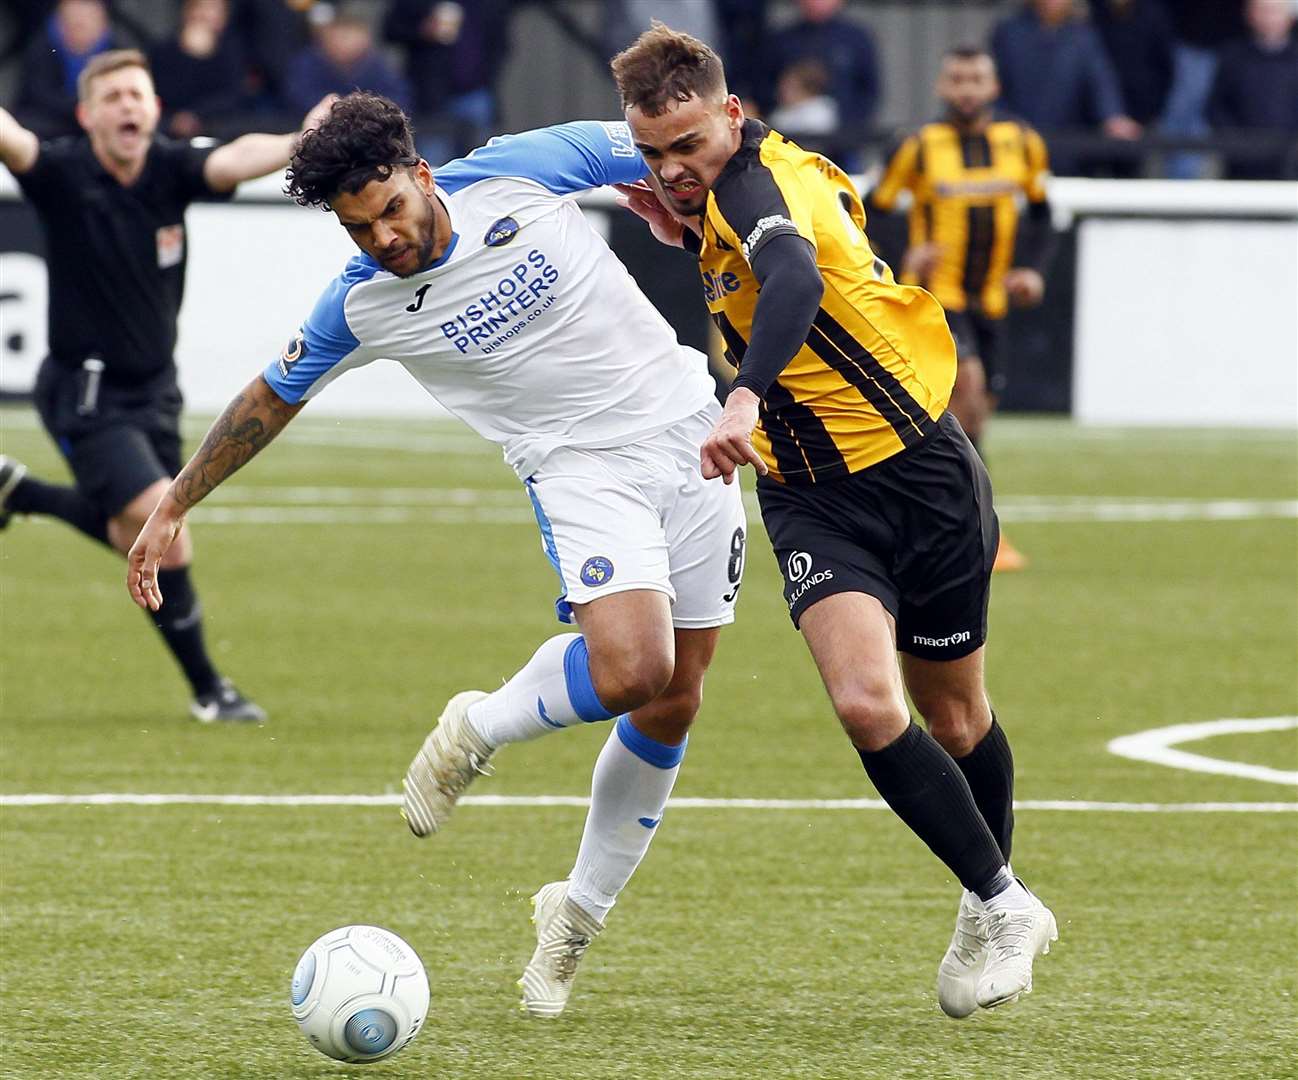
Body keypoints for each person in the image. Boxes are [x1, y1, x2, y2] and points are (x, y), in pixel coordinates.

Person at [124, 92, 747, 1019]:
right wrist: (175, 499)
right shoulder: (360, 303)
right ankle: (480, 726)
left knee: (679, 695)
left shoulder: (518, 169)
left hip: (693, 433)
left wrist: (684, 196)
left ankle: (575, 911)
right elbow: (271, 394)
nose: (382, 239)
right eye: (358, 228)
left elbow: (682, 149)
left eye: (391, 212)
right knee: (634, 670)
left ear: (422, 176)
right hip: (578, 470)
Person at [611, 24, 1057, 1019]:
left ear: (729, 113)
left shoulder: (763, 188)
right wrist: (684, 224)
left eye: (687, 147)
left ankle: (984, 904)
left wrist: (744, 396)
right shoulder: (721, 189)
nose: (672, 169)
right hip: (813, 496)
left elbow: (797, 279)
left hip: (921, 474)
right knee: (866, 705)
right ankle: (1003, 902)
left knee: (954, 719)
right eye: (652, 154)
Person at [0, 50, 333, 722]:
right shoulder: (63, 172)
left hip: (156, 390)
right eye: (114, 96)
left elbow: (235, 159)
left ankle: (20, 492)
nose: (129, 105)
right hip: (84, 389)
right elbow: (12, 138)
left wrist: (302, 141)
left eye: (138, 95)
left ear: (154, 109)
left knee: (139, 531)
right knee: (166, 527)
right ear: (88, 114)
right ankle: (212, 691)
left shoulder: (170, 169)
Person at [867, 45, 1057, 572]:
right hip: (939, 299)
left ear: (993, 88)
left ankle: (940, 516)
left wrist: (1033, 270)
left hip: (993, 300)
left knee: (977, 412)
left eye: (977, 79)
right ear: (942, 88)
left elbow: (1042, 216)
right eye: (958, 79)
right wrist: (904, 254)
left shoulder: (1022, 143)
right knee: (965, 387)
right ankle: (977, 527)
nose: (967, 89)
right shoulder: (918, 147)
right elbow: (871, 210)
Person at [991, 0, 1140, 174]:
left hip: (1069, 147)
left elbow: (1100, 80)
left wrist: (1113, 116)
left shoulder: (1083, 36)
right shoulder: (1009, 32)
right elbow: (997, 87)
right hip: (1019, 144)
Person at [1208, 0, 1298, 179]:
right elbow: (1215, 106)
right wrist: (1234, 140)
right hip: (1242, 162)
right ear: (1250, 15)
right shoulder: (1232, 56)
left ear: (1290, 17)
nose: (1269, 18)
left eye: (1275, 11)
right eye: (1263, 11)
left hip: (1290, 159)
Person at [15, 0, 118, 139]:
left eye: (87, 19)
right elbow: (38, 94)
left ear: (103, 22)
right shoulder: (42, 47)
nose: (79, 20)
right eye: (71, 20)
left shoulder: (117, 54)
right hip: (48, 122)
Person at [150, 0, 246, 139]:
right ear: (186, 11)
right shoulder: (164, 50)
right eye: (199, 7)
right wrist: (188, 55)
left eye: (213, 9)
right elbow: (161, 92)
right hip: (167, 127)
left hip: (217, 128)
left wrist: (196, 115)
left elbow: (233, 97)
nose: (204, 15)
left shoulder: (232, 53)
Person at [283, 13, 412, 117]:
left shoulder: (378, 65)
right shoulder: (308, 62)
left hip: (369, 130)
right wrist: (339, 109)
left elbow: (398, 98)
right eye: (341, 37)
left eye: (351, 36)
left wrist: (365, 113)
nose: (345, 44)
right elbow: (298, 96)